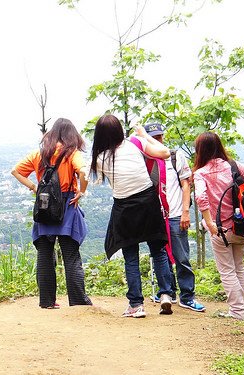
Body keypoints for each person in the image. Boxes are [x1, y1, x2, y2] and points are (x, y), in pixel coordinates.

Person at [89, 114, 174, 318]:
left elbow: (96, 180)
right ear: (119, 130)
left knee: (131, 257)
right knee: (158, 250)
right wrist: (145, 135)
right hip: (147, 201)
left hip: (124, 206)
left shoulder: (100, 158)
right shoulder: (135, 142)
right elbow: (165, 153)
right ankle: (166, 295)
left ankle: (136, 305)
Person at [11, 118, 92, 309]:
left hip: (44, 204)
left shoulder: (39, 154)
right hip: (67, 205)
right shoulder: (71, 153)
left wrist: (33, 186)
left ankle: (46, 301)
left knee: (45, 254)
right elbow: (84, 172)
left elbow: (15, 171)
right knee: (70, 254)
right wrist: (82, 190)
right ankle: (78, 301)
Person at [193, 132, 244, 320]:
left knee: (227, 270)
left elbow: (201, 197)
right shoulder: (233, 165)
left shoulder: (201, 174)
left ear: (200, 151)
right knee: (238, 267)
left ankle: (238, 311)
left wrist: (209, 222)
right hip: (242, 226)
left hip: (220, 230)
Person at [144, 123, 205, 313]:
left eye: (160, 136)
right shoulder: (144, 159)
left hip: (176, 214)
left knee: (182, 257)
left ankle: (187, 296)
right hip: (155, 216)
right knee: (160, 256)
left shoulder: (175, 156)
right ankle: (167, 292)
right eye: (154, 137)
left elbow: (186, 185)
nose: (158, 140)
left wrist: (185, 212)